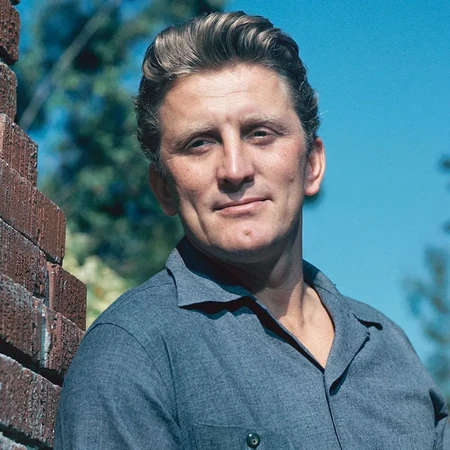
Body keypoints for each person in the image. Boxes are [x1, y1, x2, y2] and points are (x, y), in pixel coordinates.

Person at [54, 11, 448, 449]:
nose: (235, 169)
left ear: (311, 164)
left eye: (260, 133)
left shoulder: (391, 353)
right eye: (200, 143)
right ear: (164, 188)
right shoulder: (133, 351)